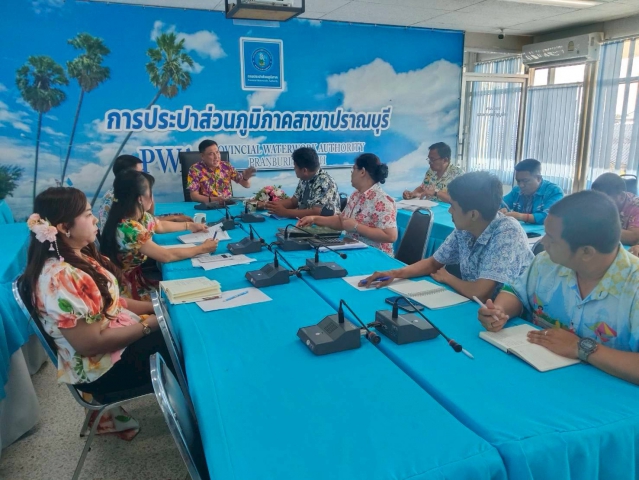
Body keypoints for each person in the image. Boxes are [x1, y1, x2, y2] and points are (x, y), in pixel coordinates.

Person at [19, 187, 175, 397]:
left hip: (116, 336)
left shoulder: (79, 255)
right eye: (87, 214)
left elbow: (114, 303)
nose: (95, 220)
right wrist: (149, 325)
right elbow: (91, 345)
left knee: (181, 326)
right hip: (101, 368)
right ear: (64, 227)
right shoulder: (61, 278)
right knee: (187, 344)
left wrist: (159, 306)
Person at [478, 191, 639, 385]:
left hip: (601, 394)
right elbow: (516, 292)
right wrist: (500, 311)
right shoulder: (546, 262)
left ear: (586, 252)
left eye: (551, 239)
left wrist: (581, 348)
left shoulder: (633, 287)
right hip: (532, 378)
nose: (543, 242)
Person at [364, 171, 533, 302]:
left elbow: (481, 293)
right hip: (479, 308)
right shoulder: (465, 228)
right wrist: (394, 273)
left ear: (473, 214)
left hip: (510, 317)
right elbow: (433, 263)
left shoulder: (507, 233)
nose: (449, 211)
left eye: (453, 206)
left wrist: (448, 278)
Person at [100, 171, 218, 301]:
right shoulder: (129, 229)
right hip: (124, 292)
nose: (152, 198)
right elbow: (166, 256)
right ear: (140, 199)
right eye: (150, 192)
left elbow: (159, 225)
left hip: (136, 279)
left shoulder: (136, 215)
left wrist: (189, 226)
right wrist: (202, 248)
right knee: (181, 297)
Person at [297, 153, 397, 255]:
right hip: (353, 250)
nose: (352, 173)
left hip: (375, 256)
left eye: (354, 169)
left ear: (362, 172)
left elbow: (390, 236)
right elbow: (342, 222)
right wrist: (314, 219)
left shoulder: (382, 200)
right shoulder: (356, 195)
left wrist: (356, 227)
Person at [97, 155, 191, 232]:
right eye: (140, 173)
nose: (143, 176)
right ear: (128, 175)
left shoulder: (117, 191)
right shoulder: (125, 197)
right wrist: (147, 193)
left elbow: (148, 220)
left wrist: (176, 219)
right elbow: (145, 223)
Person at [266, 147, 341, 219]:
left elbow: (317, 212)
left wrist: (285, 212)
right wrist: (270, 205)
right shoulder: (304, 178)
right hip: (305, 222)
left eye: (295, 166)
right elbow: (293, 202)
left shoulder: (325, 182)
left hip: (325, 225)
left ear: (304, 170)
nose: (294, 168)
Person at [188, 140, 256, 202]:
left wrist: (245, 178)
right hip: (208, 206)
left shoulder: (226, 166)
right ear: (202, 156)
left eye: (217, 152)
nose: (216, 157)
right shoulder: (195, 169)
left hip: (228, 206)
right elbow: (194, 196)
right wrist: (215, 200)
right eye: (211, 154)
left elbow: (247, 185)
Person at [500, 158, 564, 225]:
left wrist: (521, 216)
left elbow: (550, 217)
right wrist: (501, 210)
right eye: (518, 181)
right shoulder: (517, 190)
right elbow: (499, 203)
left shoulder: (554, 191)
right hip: (520, 230)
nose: (521, 185)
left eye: (525, 181)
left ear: (538, 178)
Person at [591, 172, 639, 245]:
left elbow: (633, 238)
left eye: (603, 199)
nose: (598, 204)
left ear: (621, 196)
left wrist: (600, 231)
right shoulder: (598, 202)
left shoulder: (636, 206)